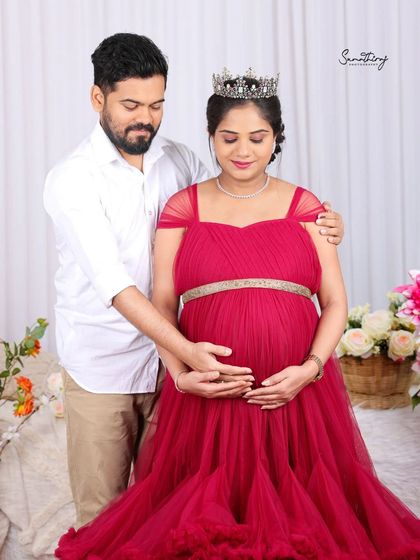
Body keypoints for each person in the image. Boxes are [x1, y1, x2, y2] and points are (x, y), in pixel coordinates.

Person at [55, 69, 420, 559]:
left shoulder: (306, 207)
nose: (242, 150)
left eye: (257, 138)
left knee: (308, 519)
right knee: (190, 515)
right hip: (208, 393)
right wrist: (180, 372)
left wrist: (310, 370)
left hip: (296, 397)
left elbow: (333, 301)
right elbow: (162, 302)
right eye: (228, 137)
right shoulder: (181, 205)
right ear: (210, 137)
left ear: (276, 139)